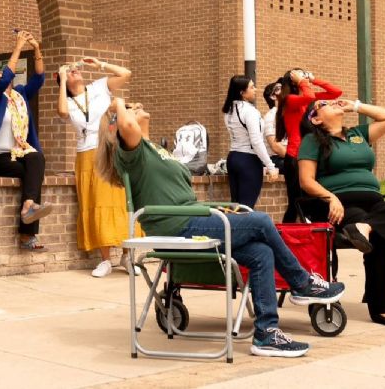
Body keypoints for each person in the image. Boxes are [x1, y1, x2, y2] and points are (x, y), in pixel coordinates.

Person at [96, 96, 345, 358]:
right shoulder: (131, 153)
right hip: (177, 227)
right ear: (118, 125)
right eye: (131, 109)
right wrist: (117, 104)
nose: (136, 107)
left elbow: (138, 133)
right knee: (260, 221)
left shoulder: (152, 149)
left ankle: (267, 335)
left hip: (192, 220)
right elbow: (127, 126)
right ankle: (302, 283)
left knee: (261, 253)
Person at [298, 99, 385, 326]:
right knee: (380, 237)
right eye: (323, 104)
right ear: (316, 118)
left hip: (373, 203)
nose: (332, 103)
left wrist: (355, 106)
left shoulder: (358, 134)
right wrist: (331, 197)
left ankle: (368, 226)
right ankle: (384, 309)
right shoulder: (312, 140)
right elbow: (306, 181)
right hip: (339, 204)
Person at [57, 56, 142, 278]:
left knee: (119, 201)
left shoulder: (98, 87)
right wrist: (63, 75)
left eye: (76, 70)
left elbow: (125, 73)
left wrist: (100, 65)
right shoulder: (68, 102)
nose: (76, 71)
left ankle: (126, 255)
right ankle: (105, 259)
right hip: (86, 154)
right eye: (70, 73)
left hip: (109, 148)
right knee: (96, 203)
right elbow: (63, 112)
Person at [0, 30, 51, 250]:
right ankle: (26, 235)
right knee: (33, 176)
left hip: (18, 154)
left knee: (37, 160)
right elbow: (6, 78)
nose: (1, 75)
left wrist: (36, 48)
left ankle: (28, 207)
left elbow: (39, 78)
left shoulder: (19, 94)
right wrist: (18, 47)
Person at [275, 69, 341, 222]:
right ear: (293, 81)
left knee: (312, 201)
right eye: (300, 74)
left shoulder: (306, 98)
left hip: (311, 155)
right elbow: (309, 96)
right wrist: (303, 82)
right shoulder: (289, 100)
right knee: (295, 202)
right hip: (295, 156)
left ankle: (309, 236)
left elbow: (336, 93)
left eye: (304, 74)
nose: (304, 77)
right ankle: (286, 238)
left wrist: (314, 79)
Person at [222, 75, 279, 209]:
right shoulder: (250, 111)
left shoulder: (228, 111)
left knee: (235, 207)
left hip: (233, 158)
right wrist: (270, 166)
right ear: (242, 92)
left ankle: (232, 230)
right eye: (252, 87)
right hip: (248, 160)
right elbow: (256, 141)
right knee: (246, 208)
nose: (255, 89)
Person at [262, 80, 287, 171]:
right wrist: (295, 159)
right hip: (277, 159)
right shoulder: (270, 117)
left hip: (288, 156)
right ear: (273, 96)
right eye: (279, 89)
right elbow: (275, 146)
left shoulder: (287, 114)